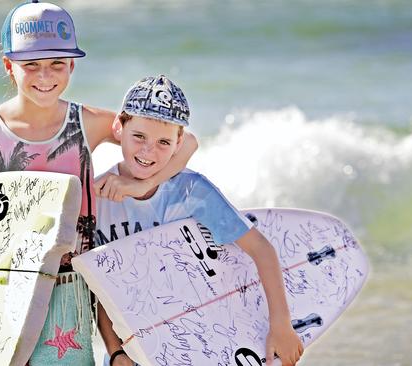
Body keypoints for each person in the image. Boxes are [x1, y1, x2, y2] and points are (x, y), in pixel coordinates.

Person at [0, 2, 198, 365]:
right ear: (9, 67)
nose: (45, 75)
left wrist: (143, 185)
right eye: (31, 65)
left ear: (71, 66)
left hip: (66, 294)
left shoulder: (88, 123)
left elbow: (185, 142)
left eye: (56, 64)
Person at [93, 75, 304, 366]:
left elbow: (261, 250)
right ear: (119, 127)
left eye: (163, 142)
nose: (147, 151)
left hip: (199, 343)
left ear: (179, 143)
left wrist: (281, 325)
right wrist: (116, 352)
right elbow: (103, 286)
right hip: (131, 353)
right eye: (138, 136)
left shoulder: (192, 192)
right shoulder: (98, 199)